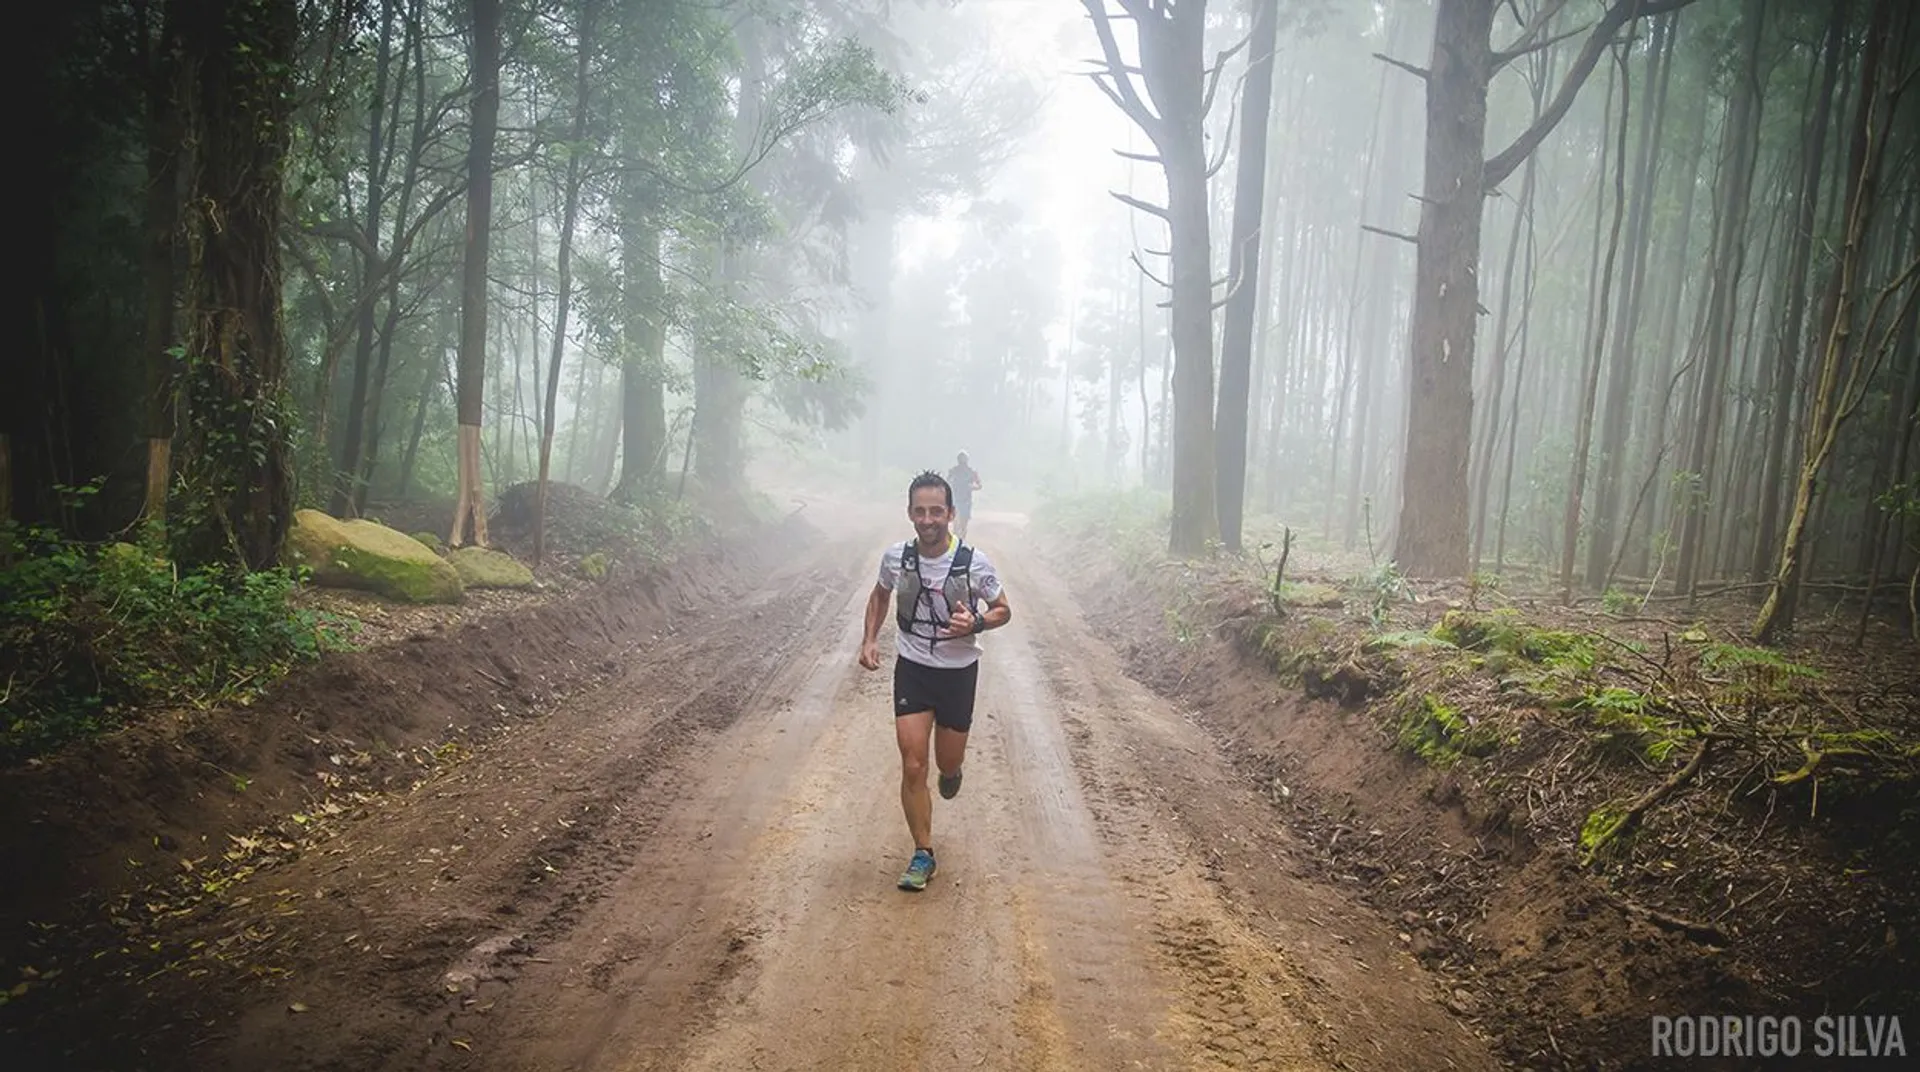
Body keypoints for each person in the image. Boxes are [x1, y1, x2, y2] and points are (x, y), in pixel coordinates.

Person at [858, 470, 1011, 892]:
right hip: (913, 668)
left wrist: (976, 621)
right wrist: (870, 640)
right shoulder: (896, 557)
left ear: (950, 513)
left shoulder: (974, 563)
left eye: (936, 511)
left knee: (945, 763)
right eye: (920, 511)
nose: (928, 520)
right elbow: (880, 594)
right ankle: (923, 853)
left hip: (958, 674)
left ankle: (952, 771)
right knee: (912, 764)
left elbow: (1003, 609)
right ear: (910, 513)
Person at [946, 451, 983, 539]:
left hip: (966, 500)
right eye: (960, 459)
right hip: (956, 500)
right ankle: (956, 541)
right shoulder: (953, 470)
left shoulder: (971, 472)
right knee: (956, 523)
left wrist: (971, 487)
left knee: (963, 523)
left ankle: (961, 540)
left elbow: (979, 485)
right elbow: (947, 482)